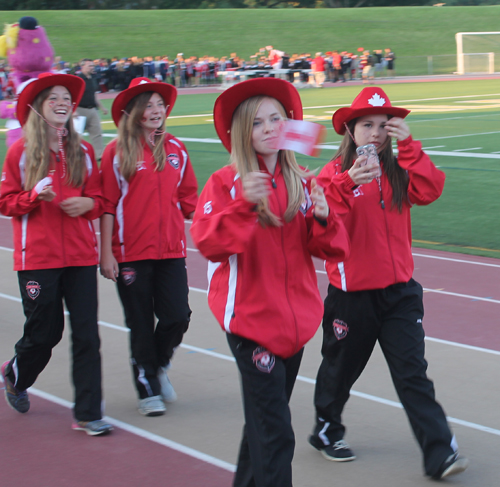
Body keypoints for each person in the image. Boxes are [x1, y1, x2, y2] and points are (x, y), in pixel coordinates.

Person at [190, 78, 349, 487]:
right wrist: (244, 203)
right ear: (242, 132)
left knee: (264, 426)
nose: (268, 127)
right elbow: (209, 243)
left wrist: (321, 215)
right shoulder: (227, 181)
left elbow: (332, 250)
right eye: (257, 122)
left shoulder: (299, 179)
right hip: (252, 326)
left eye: (276, 119)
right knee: (277, 433)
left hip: (294, 327)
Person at [308, 87, 469, 480]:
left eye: (385, 126)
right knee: (339, 370)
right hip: (351, 297)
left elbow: (430, 189)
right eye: (367, 125)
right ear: (350, 130)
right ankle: (327, 428)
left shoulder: (398, 172)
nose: (377, 134)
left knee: (412, 372)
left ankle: (440, 453)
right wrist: (348, 182)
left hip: (400, 294)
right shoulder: (332, 175)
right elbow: (320, 233)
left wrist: (410, 145)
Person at [0, 72, 112, 436]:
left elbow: (99, 199)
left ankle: (88, 413)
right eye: (54, 98)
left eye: (67, 97)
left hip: (80, 257)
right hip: (38, 258)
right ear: (38, 107)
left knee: (87, 336)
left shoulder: (84, 151)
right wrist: (34, 198)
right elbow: (6, 201)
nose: (63, 102)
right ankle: (16, 374)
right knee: (45, 333)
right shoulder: (20, 151)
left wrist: (87, 204)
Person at [99, 77, 198, 417]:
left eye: (160, 104)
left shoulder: (176, 149)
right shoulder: (116, 152)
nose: (156, 111)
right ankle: (147, 390)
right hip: (130, 254)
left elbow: (190, 201)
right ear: (134, 112)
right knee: (140, 323)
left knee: (177, 316)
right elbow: (108, 205)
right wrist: (106, 253)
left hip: (171, 250)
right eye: (148, 105)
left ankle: (157, 366)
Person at [76, 58, 108, 160]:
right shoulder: (78, 80)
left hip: (92, 109)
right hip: (80, 109)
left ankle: (99, 154)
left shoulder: (93, 79)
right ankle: (77, 155)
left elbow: (94, 95)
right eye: (89, 66)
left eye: (92, 66)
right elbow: (73, 96)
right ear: (82, 67)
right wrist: (73, 110)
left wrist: (102, 107)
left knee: (96, 133)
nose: (92, 68)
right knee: (77, 134)